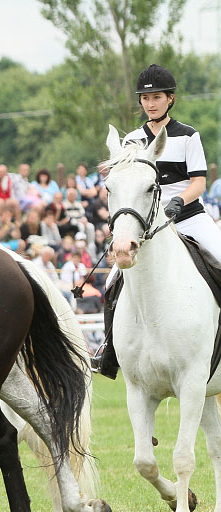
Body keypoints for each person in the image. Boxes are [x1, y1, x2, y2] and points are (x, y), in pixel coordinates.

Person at [92, 63, 217, 379]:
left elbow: (199, 183)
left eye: (157, 97)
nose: (150, 103)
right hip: (149, 227)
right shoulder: (132, 139)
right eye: (145, 98)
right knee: (111, 282)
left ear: (170, 99)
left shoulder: (188, 135)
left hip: (188, 218)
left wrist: (178, 201)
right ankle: (110, 354)